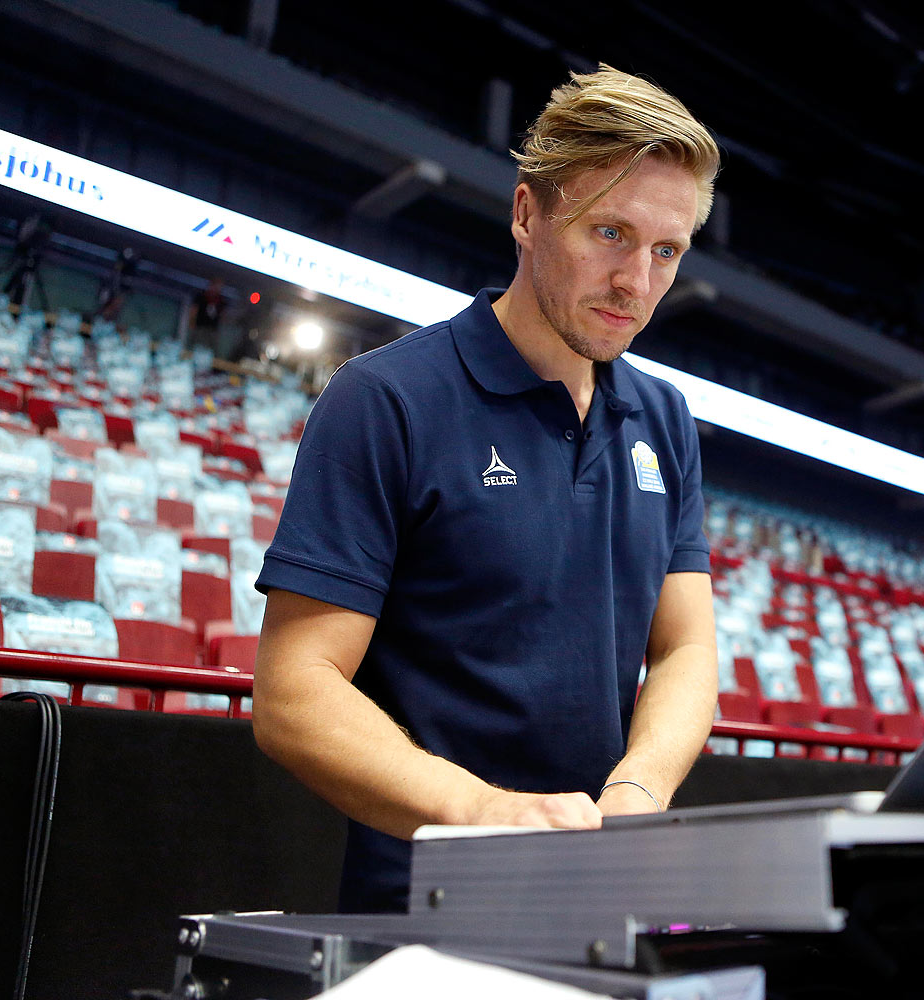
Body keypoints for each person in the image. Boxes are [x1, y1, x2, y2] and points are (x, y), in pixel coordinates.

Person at [251, 65, 722, 913]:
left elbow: (685, 647)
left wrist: (637, 796)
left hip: (597, 896)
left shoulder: (666, 417)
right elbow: (294, 691)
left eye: (666, 251)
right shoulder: (386, 399)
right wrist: (485, 812)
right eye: (610, 233)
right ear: (526, 213)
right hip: (425, 903)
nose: (638, 285)